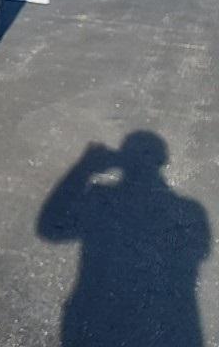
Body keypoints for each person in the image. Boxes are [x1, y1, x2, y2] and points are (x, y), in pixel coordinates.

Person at [37, 131, 210, 346]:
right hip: (151, 328)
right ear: (163, 160)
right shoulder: (189, 211)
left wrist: (84, 169)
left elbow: (50, 227)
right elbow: (50, 228)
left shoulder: (101, 199)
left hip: (100, 324)